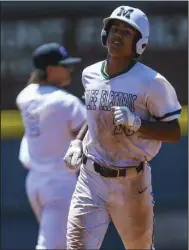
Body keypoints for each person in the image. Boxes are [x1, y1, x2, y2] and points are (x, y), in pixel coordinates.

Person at [64, 5, 182, 250]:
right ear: (104, 35)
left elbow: (173, 132)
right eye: (114, 29)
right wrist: (78, 140)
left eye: (127, 33)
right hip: (91, 177)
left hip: (132, 180)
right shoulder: (90, 74)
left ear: (139, 43)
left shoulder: (153, 83)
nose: (117, 35)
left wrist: (138, 123)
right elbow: (95, 113)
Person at [16, 43, 86, 249]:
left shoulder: (25, 96)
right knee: (52, 246)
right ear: (50, 70)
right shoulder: (66, 102)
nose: (69, 70)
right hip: (60, 184)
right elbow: (89, 134)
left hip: (35, 182)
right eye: (64, 65)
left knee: (67, 244)